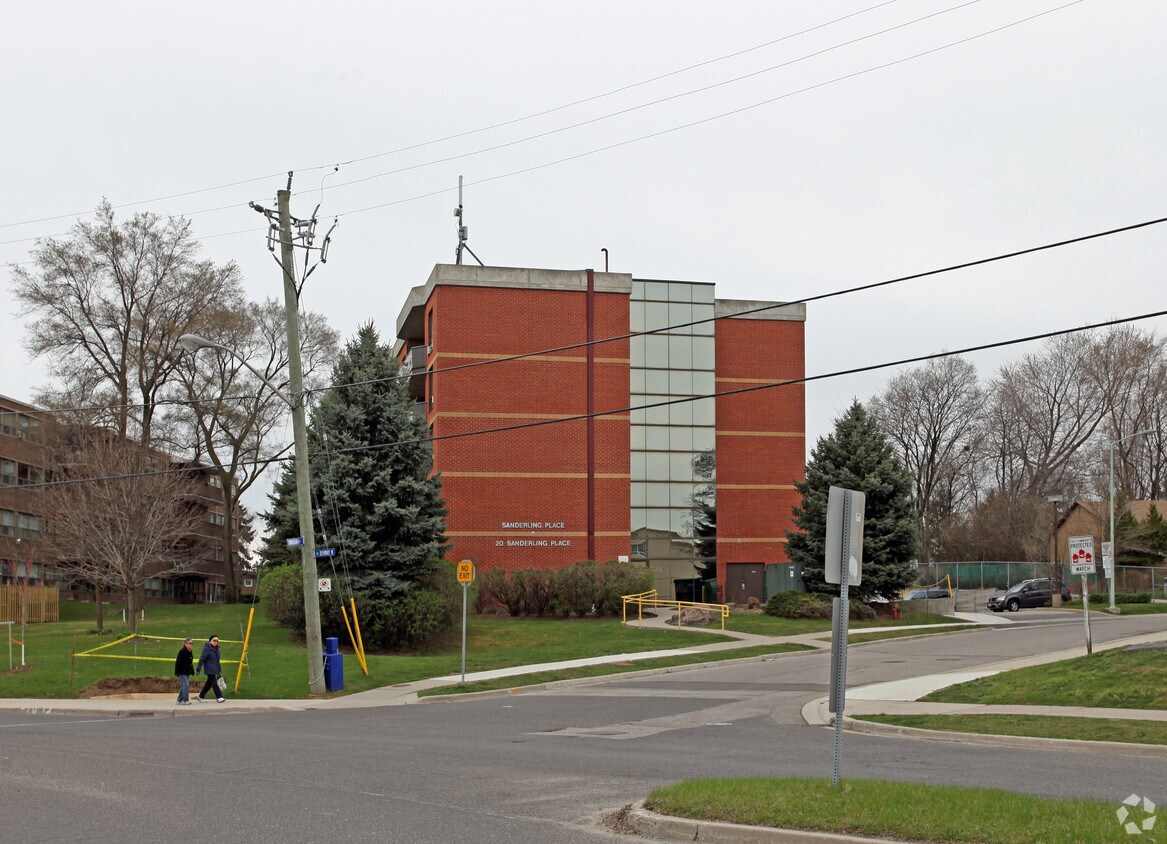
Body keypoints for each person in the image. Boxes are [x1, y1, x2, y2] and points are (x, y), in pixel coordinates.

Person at [195, 635, 226, 703]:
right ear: (210, 641)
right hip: (209, 669)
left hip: (215, 669)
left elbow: (217, 660)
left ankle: (201, 696)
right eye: (214, 640)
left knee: (209, 684)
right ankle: (219, 697)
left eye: (217, 641)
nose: (216, 642)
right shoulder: (207, 649)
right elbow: (202, 659)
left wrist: (218, 669)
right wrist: (198, 669)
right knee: (214, 683)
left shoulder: (217, 649)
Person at [174, 638, 194, 705]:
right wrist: (177, 672)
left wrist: (192, 670)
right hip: (181, 671)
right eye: (190, 643)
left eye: (192, 643)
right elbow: (178, 663)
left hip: (187, 671)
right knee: (186, 684)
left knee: (184, 685)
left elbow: (190, 662)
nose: (191, 645)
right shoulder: (182, 651)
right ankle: (185, 700)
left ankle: (179, 700)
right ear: (185, 644)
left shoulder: (190, 651)